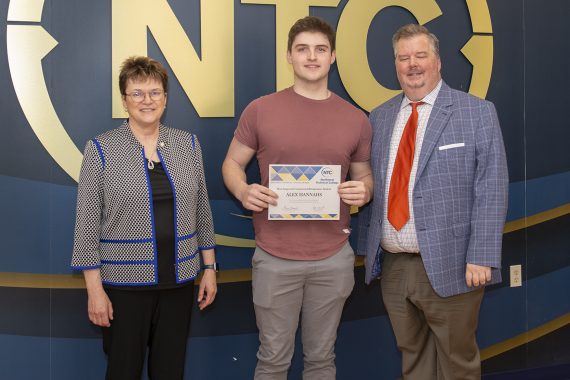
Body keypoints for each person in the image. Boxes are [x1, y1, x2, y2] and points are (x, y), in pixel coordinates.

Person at [222, 16, 373, 380]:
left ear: (333, 56)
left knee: (322, 360)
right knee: (273, 360)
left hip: (334, 258)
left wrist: (365, 190)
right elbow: (231, 163)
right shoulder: (261, 110)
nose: (312, 57)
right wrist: (243, 190)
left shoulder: (356, 119)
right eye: (302, 49)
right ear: (289, 56)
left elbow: (364, 175)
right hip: (274, 258)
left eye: (320, 49)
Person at [358, 24, 508, 379]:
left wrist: (482, 255)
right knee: (413, 359)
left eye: (420, 55)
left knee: (458, 362)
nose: (412, 64)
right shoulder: (378, 118)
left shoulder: (476, 113)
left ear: (438, 62)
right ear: (395, 65)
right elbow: (374, 185)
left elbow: (493, 187)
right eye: (403, 57)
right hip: (394, 266)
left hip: (454, 264)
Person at [71, 56, 218, 380]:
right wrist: (95, 292)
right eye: (137, 93)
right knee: (123, 370)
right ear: (124, 100)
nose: (146, 100)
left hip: (179, 283)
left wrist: (209, 268)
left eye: (154, 92)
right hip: (123, 288)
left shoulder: (187, 144)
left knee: (170, 371)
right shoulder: (100, 149)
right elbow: (86, 226)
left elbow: (202, 212)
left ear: (165, 98)